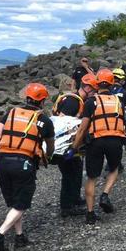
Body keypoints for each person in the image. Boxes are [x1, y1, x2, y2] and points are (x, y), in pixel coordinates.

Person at [0, 83, 55, 251]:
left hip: (3, 162)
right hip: (23, 164)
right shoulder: (45, 121)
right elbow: (50, 146)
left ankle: (19, 236)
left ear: (26, 97)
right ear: (42, 101)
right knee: (21, 204)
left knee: (14, 202)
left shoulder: (10, 113)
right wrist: (49, 157)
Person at [67, 69, 126, 224]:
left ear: (97, 84)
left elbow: (83, 128)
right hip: (115, 140)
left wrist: (73, 148)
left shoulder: (91, 101)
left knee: (92, 177)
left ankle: (90, 214)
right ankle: (105, 194)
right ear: (111, 84)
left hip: (96, 141)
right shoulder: (118, 101)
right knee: (114, 168)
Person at [51, 73, 97, 217]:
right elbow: (63, 124)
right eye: (94, 90)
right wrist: (71, 147)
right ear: (87, 88)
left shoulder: (76, 100)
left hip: (73, 145)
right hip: (65, 146)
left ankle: (75, 198)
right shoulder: (73, 102)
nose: (95, 93)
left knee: (76, 171)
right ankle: (66, 207)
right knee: (69, 174)